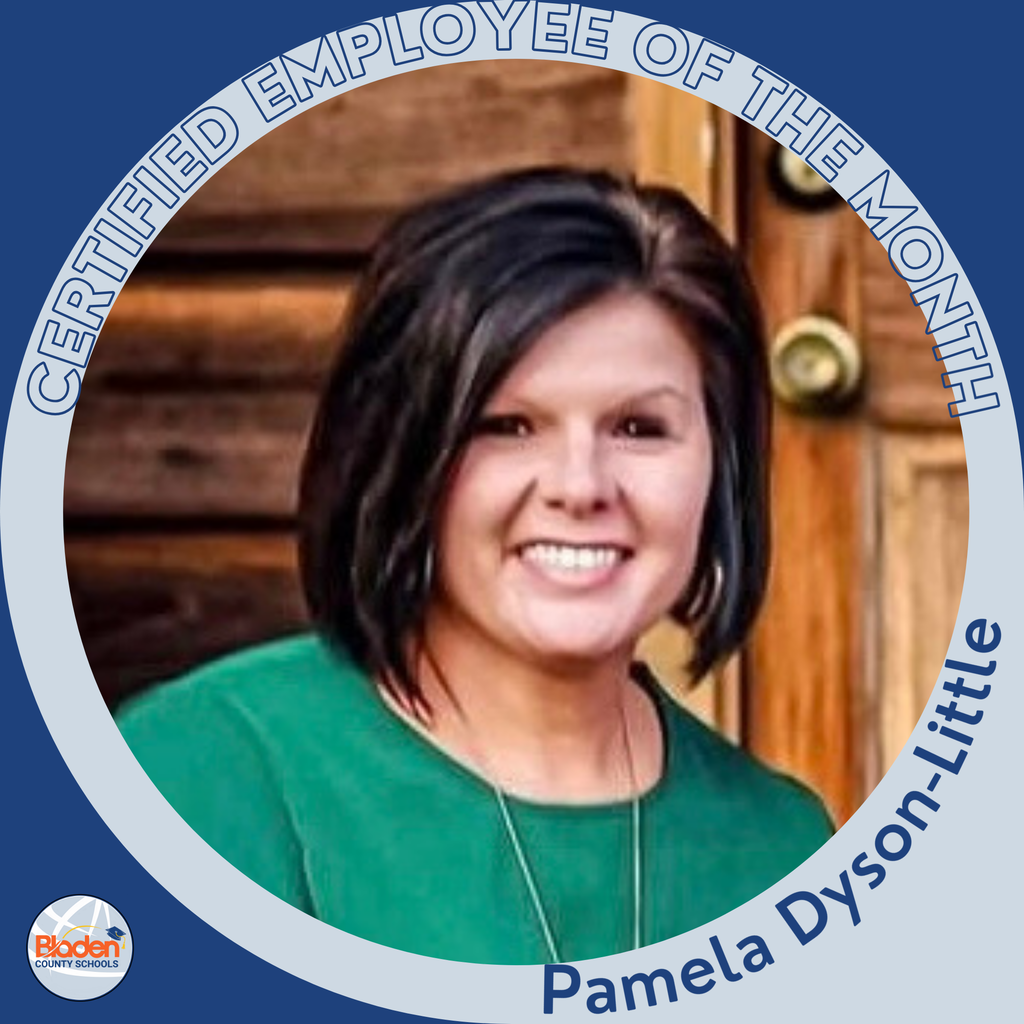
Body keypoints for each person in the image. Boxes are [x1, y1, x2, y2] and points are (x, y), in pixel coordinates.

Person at [117, 167, 833, 965]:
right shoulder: (202, 776)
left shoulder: (783, 849)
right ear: (401, 454)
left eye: (638, 427)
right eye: (508, 426)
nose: (580, 487)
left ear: (721, 463)